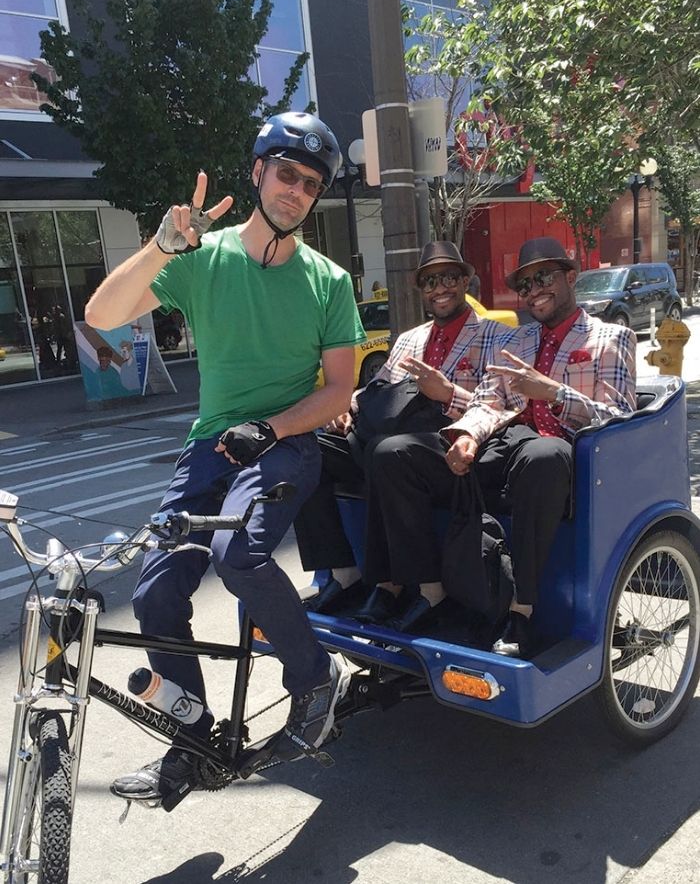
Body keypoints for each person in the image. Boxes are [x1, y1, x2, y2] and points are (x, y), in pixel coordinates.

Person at [84, 112, 366, 804]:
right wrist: (160, 246)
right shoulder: (201, 258)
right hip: (209, 447)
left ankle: (313, 678)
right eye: (286, 172)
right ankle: (194, 738)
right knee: (153, 592)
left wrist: (269, 431)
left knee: (237, 556)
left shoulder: (327, 280)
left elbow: (339, 390)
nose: (297, 190)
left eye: (312, 182)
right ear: (258, 173)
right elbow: (102, 313)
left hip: (288, 444)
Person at [373, 236, 636, 656]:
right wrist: (466, 437)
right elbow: (488, 401)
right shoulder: (516, 341)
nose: (535, 290)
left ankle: (522, 610)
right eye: (526, 284)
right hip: (505, 443)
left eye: (543, 277)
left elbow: (622, 420)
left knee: (542, 454)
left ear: (571, 277)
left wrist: (555, 394)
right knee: (394, 454)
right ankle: (429, 589)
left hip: (567, 450)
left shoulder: (610, 336)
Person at [294, 240, 513, 632]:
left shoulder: (497, 337)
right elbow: (378, 389)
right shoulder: (411, 339)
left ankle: (425, 588)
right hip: (394, 444)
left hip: (455, 449)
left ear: (465, 280)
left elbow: (501, 406)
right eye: (430, 281)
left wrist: (447, 394)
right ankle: (344, 572)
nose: (439, 288)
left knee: (389, 453)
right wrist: (347, 406)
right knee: (305, 448)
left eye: (448, 277)